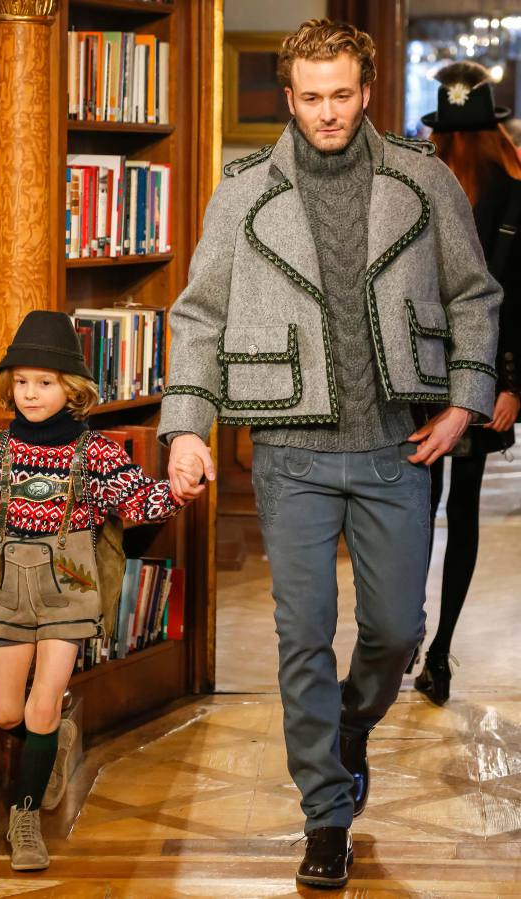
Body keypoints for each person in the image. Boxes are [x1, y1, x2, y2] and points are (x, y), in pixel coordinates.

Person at [158, 18, 502, 890]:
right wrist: (188, 426)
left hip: (396, 447)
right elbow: (199, 314)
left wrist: (465, 402)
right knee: (302, 635)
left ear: (368, 90)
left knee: (397, 631)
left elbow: (474, 295)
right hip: (289, 451)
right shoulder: (244, 191)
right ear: (289, 95)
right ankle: (326, 814)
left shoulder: (424, 180)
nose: (327, 113)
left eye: (342, 94)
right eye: (310, 97)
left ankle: (350, 727)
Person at [0, 310, 201, 872]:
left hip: (70, 594)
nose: (31, 393)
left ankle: (25, 818)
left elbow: (137, 500)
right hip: (9, 594)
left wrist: (178, 490)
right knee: (6, 712)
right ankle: (54, 733)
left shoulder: (96, 452)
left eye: (45, 382)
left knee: (41, 703)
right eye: (22, 382)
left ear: (72, 389)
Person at [411, 62, 521, 705]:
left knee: (422, 509)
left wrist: (513, 385)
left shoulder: (426, 184)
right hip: (466, 373)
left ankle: (421, 639)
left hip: (430, 372)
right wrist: (512, 384)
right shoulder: (428, 187)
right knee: (453, 510)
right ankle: (432, 648)